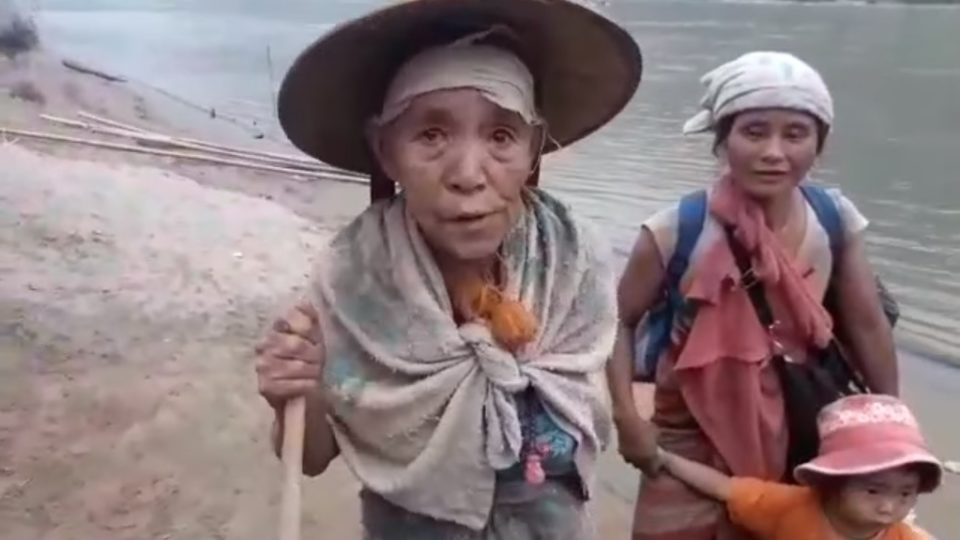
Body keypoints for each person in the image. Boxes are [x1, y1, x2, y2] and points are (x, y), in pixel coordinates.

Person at [254, 1, 643, 538]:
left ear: (534, 147)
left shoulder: (571, 261)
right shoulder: (355, 280)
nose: (467, 174)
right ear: (384, 149)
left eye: (501, 136)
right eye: (431, 135)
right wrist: (295, 394)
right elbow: (311, 456)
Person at [606, 51, 900, 539]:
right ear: (722, 141)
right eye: (755, 131)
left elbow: (866, 323)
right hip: (685, 435)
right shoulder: (676, 230)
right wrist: (626, 418)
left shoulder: (835, 222)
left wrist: (890, 427)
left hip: (800, 426)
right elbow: (617, 320)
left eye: (796, 134)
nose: (774, 152)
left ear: (819, 146)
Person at [660, 394, 943, 540]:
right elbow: (726, 488)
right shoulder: (789, 506)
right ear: (833, 483)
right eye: (873, 491)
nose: (889, 507)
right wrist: (665, 460)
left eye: (905, 494)